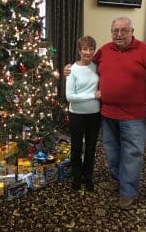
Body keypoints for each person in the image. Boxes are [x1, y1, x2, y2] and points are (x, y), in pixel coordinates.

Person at [64, 16, 146, 209]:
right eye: (115, 30)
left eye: (124, 30)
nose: (119, 34)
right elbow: (87, 64)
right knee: (112, 152)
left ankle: (128, 191)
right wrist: (70, 68)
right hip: (106, 114)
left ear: (132, 31)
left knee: (132, 154)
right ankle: (117, 181)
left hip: (134, 116)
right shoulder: (104, 51)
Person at [66, 36, 101, 192]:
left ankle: (88, 176)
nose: (88, 52)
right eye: (85, 49)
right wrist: (92, 95)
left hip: (95, 115)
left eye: (91, 48)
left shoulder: (97, 67)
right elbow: (70, 97)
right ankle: (76, 176)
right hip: (77, 115)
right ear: (79, 50)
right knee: (76, 147)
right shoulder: (72, 70)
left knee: (91, 147)